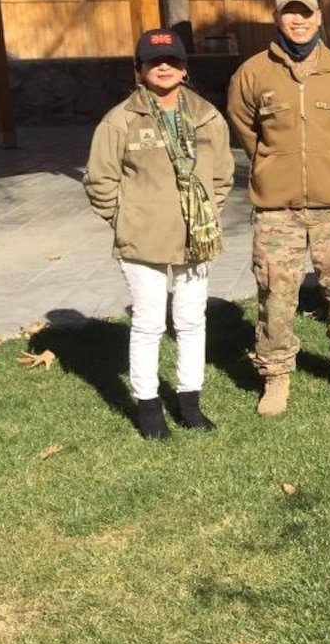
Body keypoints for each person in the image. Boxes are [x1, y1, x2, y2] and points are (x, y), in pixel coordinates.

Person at [227, 0, 330, 417]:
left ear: (319, 17)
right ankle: (276, 375)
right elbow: (245, 128)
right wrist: (274, 163)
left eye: (305, 12)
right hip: (278, 210)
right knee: (275, 294)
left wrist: (328, 160)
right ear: (277, 17)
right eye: (289, 12)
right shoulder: (253, 73)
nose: (298, 20)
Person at [84, 28, 234, 439]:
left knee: (190, 320)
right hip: (142, 238)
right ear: (140, 70)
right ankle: (149, 406)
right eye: (153, 61)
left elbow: (222, 174)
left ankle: (190, 402)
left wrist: (206, 212)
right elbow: (100, 179)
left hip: (196, 236)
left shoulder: (207, 116)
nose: (163, 67)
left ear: (185, 69)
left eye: (172, 61)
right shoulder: (121, 121)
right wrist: (125, 218)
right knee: (149, 322)